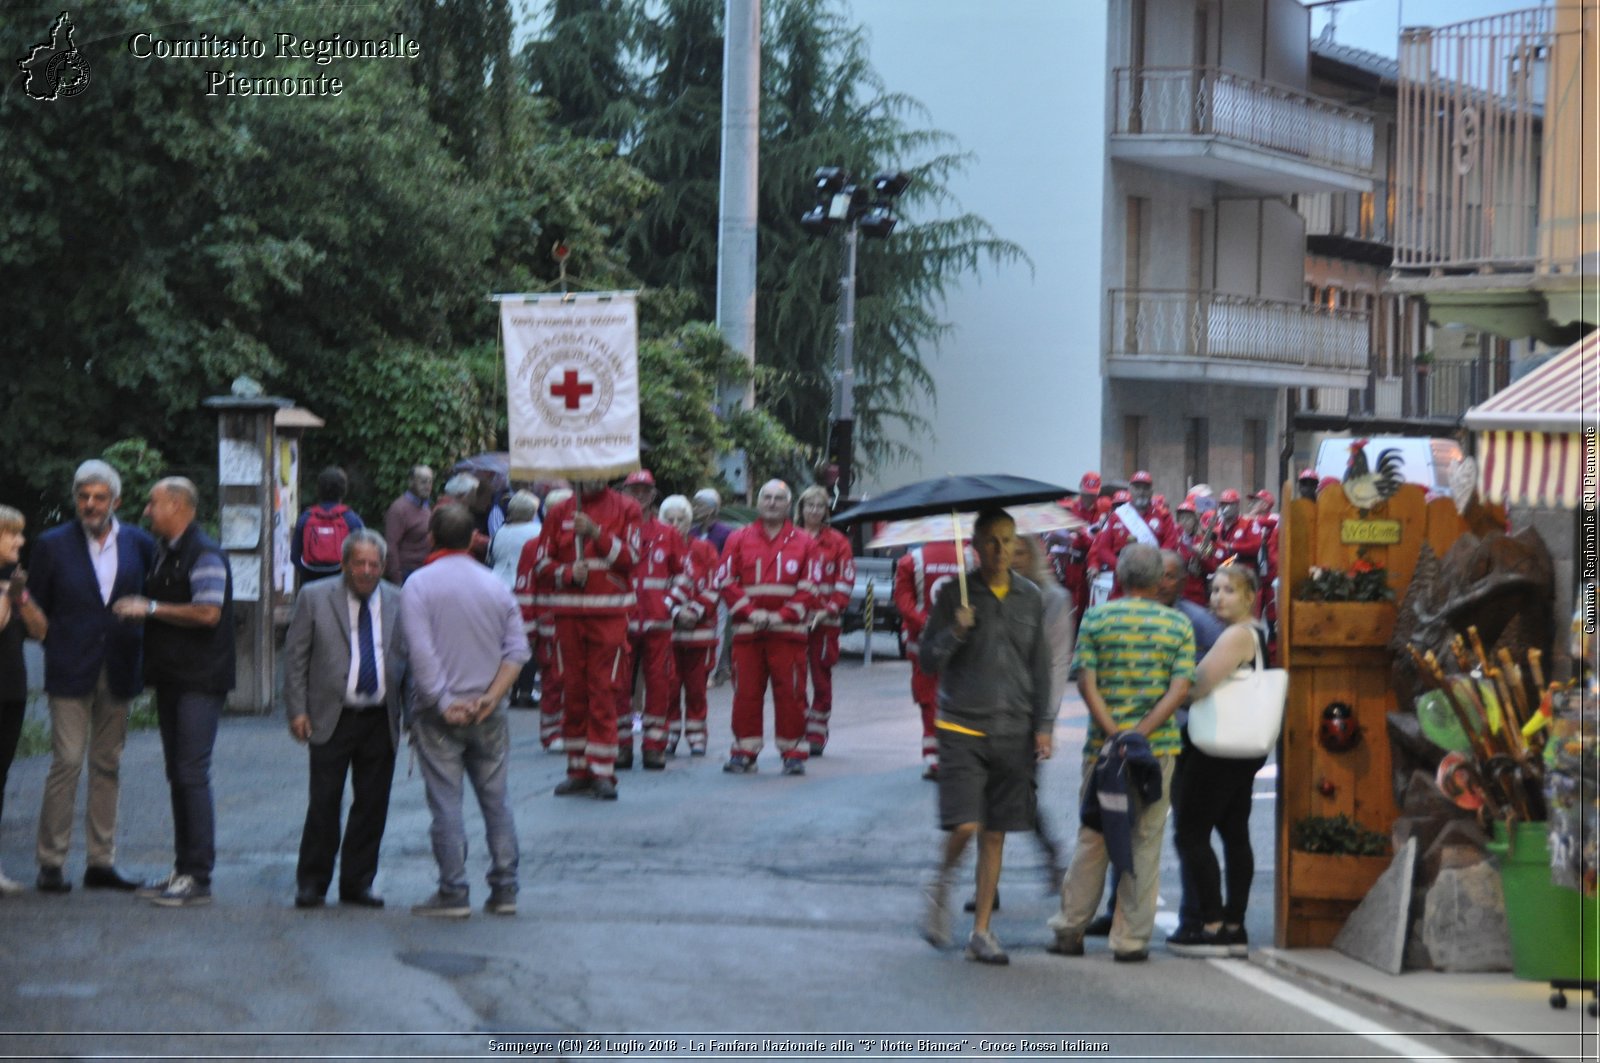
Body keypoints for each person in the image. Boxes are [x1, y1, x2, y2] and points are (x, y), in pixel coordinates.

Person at [918, 509, 1054, 965]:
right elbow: (927, 660)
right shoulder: (951, 595)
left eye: (1008, 540)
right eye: (991, 541)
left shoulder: (1030, 597)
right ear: (975, 545)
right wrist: (956, 630)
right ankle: (940, 884)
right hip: (961, 725)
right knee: (965, 825)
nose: (1001, 550)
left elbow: (1040, 664)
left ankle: (981, 931)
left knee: (995, 834)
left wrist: (1044, 726)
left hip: (1013, 728)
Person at [1048, 543, 1193, 962]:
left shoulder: (1096, 618)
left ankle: (1070, 928)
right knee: (1145, 840)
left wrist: (1115, 734)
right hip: (1157, 751)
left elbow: (1084, 682)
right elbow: (1180, 688)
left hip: (1102, 752)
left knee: (1094, 837)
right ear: (1156, 580)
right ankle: (1130, 940)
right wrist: (1141, 735)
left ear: (1122, 578)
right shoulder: (1176, 625)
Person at [29, 460, 158, 895]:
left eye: (99, 497)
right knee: (66, 762)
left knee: (108, 764)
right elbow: (37, 608)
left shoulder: (140, 543)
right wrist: (57, 644)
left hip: (119, 665)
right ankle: (51, 861)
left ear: (116, 502)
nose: (90, 504)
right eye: (83, 496)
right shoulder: (51, 545)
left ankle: (101, 862)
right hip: (69, 667)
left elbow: (151, 599)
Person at [111, 477, 235, 908]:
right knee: (178, 773)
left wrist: (149, 608)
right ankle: (183, 870)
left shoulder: (204, 553)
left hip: (200, 679)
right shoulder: (168, 550)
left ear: (179, 506)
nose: (147, 511)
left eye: (154, 503)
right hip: (173, 678)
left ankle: (197, 875)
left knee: (190, 772)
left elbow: (208, 612)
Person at [401, 504, 530, 917]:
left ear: (432, 538)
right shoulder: (495, 585)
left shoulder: (418, 585)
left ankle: (453, 890)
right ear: (473, 539)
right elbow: (518, 650)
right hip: (488, 711)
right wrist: (492, 696)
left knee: (446, 805)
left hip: (440, 712)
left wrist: (442, 700)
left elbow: (421, 654)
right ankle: (505, 888)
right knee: (497, 801)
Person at [282, 530, 407, 910]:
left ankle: (358, 883)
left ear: (383, 567)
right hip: (329, 714)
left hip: (379, 717)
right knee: (323, 803)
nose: (366, 571)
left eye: (374, 565)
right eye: (359, 564)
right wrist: (297, 710)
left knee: (372, 805)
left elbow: (410, 660)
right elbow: (296, 658)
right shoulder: (315, 597)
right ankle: (312, 883)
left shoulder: (399, 601)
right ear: (344, 564)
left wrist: (414, 715)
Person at [1167, 564, 1269, 958]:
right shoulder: (1258, 632)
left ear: (1250, 596)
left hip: (1217, 747)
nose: (1218, 597)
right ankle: (1233, 924)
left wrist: (1174, 675)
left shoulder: (1238, 636)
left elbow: (1196, 686)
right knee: (1232, 831)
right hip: (1243, 747)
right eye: (1214, 590)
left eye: (1229, 590)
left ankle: (1211, 924)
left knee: (1190, 831)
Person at [532, 478, 641, 799]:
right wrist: (566, 574)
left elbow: (632, 558)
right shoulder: (559, 511)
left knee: (603, 691)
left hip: (608, 617)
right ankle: (578, 769)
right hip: (567, 617)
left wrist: (596, 534)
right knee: (573, 692)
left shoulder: (627, 508)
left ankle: (603, 770)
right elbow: (540, 562)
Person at [717, 479, 818, 776]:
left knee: (791, 694)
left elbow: (809, 587)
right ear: (759, 502)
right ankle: (744, 752)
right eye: (767, 497)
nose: (772, 503)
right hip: (749, 634)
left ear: (788, 505)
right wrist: (751, 613)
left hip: (788, 635)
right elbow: (726, 581)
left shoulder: (804, 542)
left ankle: (793, 752)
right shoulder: (738, 538)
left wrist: (782, 615)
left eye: (778, 498)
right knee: (746, 694)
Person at [616, 470, 688, 771]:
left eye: (645, 490)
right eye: (634, 490)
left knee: (659, 685)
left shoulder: (668, 534)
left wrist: (667, 605)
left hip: (657, 625)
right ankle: (621, 746)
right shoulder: (614, 532)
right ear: (624, 492)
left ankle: (654, 746)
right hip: (621, 622)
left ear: (653, 494)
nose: (639, 495)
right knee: (618, 686)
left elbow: (684, 576)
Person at [893, 538, 969, 779]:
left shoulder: (910, 561)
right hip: (960, 642)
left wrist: (925, 623)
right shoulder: (970, 556)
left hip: (923, 643)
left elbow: (904, 603)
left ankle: (933, 756)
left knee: (929, 698)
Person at [0, 506, 47, 895]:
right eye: (11, 534)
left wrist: (22, 597)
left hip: (12, 692)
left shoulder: (12, 579)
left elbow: (41, 630)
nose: (20, 541)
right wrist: (7, 596)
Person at [797, 484, 853, 756]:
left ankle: (818, 729)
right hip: (794, 620)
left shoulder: (838, 542)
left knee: (821, 677)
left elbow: (845, 581)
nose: (815, 511)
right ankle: (799, 725)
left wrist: (828, 610)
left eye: (820, 506)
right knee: (793, 677)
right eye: (810, 506)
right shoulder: (792, 538)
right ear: (801, 508)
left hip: (826, 621)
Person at [660, 494, 717, 756]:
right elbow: (651, 590)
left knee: (696, 689)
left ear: (689, 521)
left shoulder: (704, 550)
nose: (675, 524)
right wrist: (674, 612)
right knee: (669, 688)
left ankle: (696, 735)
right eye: (669, 519)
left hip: (700, 631)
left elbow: (716, 584)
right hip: (667, 634)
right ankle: (669, 734)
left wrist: (693, 611)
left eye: (680, 519)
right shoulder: (657, 549)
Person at [516, 487, 572, 752]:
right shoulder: (533, 547)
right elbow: (526, 589)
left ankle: (569, 728)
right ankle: (551, 733)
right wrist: (529, 630)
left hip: (573, 623)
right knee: (552, 680)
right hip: (548, 624)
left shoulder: (576, 545)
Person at [1085, 470, 1180, 599]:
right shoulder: (1117, 516)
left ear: (1151, 491)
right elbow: (1103, 549)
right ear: (1130, 489)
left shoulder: (1163, 516)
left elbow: (1171, 545)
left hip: (1153, 581)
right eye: (1137, 487)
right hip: (1123, 582)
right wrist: (1121, 567)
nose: (1141, 492)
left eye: (1145, 488)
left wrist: (1153, 566)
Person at [488, 491, 542, 708]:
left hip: (498, 586)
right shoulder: (538, 531)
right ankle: (525, 690)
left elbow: (491, 558)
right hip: (524, 588)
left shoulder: (500, 532)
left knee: (504, 640)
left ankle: (507, 689)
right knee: (527, 641)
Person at [690, 488, 735, 684]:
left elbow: (728, 561)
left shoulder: (726, 533)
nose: (696, 508)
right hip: (694, 588)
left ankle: (712, 671)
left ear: (712, 508)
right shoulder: (692, 532)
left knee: (718, 627)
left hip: (718, 588)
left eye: (700, 504)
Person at [290, 466, 364, 585]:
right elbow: (362, 554)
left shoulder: (306, 518)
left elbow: (294, 556)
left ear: (318, 489)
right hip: (342, 582)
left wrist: (306, 574)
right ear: (343, 490)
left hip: (311, 582)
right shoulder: (352, 519)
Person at [383, 465, 434, 583]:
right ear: (411, 482)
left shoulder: (425, 507)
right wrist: (397, 579)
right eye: (423, 481)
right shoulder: (399, 509)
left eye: (430, 481)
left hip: (424, 570)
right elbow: (391, 545)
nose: (427, 485)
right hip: (407, 573)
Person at [438, 474, 491, 562]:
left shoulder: (449, 507)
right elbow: (464, 536)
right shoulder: (449, 512)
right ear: (461, 495)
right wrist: (492, 543)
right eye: (472, 495)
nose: (474, 500)